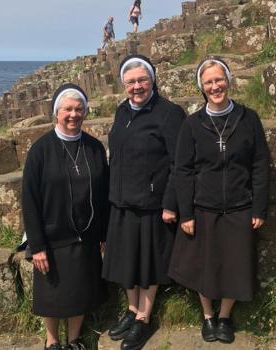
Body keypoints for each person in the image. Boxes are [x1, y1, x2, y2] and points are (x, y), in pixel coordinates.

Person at [168, 57, 270, 344]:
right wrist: (186, 213)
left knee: (234, 265)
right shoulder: (192, 124)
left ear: (228, 80)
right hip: (204, 208)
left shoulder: (249, 118)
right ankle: (208, 316)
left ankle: (225, 316)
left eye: (219, 80)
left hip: (239, 206)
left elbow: (260, 164)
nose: (215, 86)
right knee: (205, 266)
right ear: (201, 87)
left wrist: (259, 207)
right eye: (209, 82)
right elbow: (183, 171)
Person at [102, 54, 186, 350]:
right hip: (121, 201)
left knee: (148, 264)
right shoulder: (121, 111)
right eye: (131, 81)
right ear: (123, 84)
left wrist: (170, 202)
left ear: (152, 80)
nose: (136, 86)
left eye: (142, 80)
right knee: (127, 261)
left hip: (152, 203)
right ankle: (130, 309)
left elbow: (179, 162)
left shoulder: (169, 113)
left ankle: (143, 318)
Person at [22, 83, 109, 350]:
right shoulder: (41, 150)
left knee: (80, 292)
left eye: (79, 109)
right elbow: (29, 199)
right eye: (68, 109)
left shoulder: (93, 147)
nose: (74, 114)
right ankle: (52, 340)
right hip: (52, 236)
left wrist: (103, 234)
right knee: (52, 294)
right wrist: (37, 246)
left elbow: (104, 193)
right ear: (56, 113)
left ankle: (74, 339)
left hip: (85, 237)